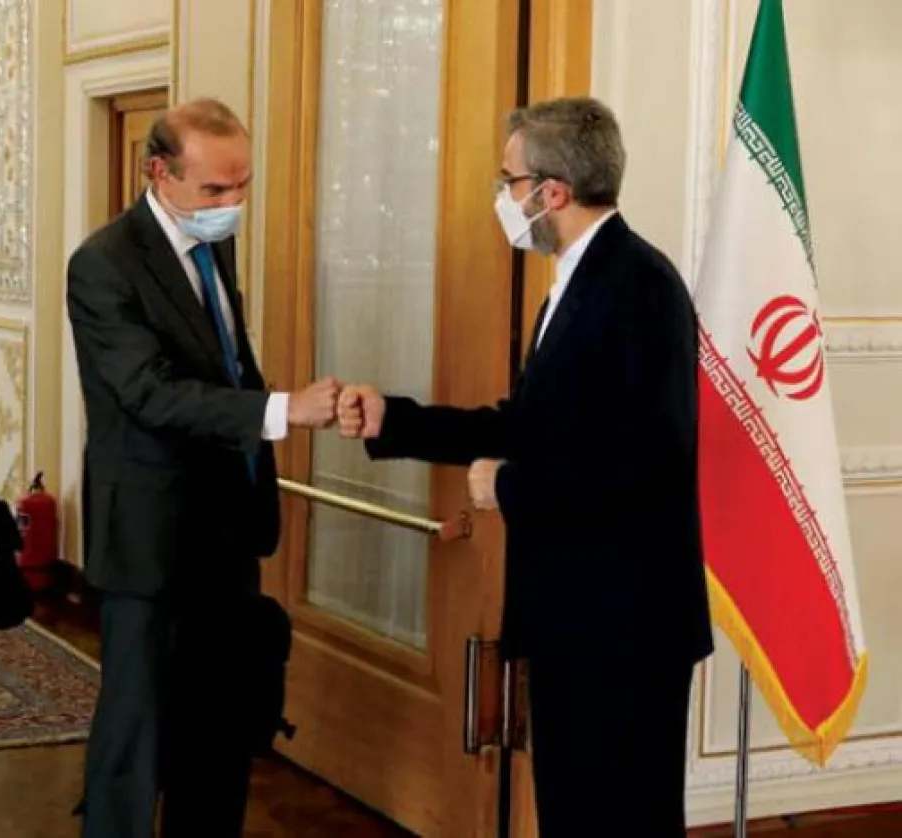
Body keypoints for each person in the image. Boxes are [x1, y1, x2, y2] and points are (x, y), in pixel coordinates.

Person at [337, 96, 713, 837]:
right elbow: (527, 424)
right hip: (579, 613)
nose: (502, 198)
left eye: (508, 181)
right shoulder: (577, 280)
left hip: (624, 625)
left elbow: (652, 466)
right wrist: (396, 420)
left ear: (552, 193)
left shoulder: (638, 286)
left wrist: (509, 485)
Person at [65, 97, 339, 838]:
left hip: (227, 533)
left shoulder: (214, 247)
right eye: (214, 189)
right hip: (149, 540)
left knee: (219, 737)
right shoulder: (103, 264)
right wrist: (281, 410)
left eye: (242, 185)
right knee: (135, 745)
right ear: (159, 173)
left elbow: (226, 366)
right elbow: (148, 392)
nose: (231, 204)